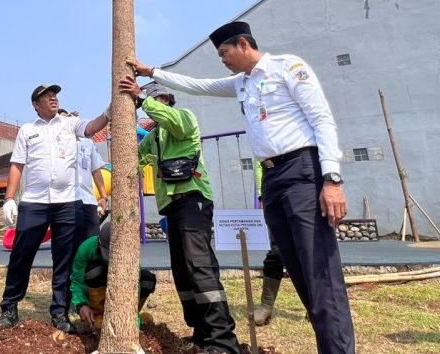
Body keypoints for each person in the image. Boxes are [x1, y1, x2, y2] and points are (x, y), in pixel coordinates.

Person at [129, 20, 355, 354]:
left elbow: (322, 119)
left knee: (319, 271)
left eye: (224, 52)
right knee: (299, 271)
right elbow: (198, 85)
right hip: (274, 180)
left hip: (302, 171)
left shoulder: (287, 67)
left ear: (243, 44)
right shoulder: (242, 84)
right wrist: (151, 71)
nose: (223, 59)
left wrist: (332, 179)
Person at [118, 77, 241, 354]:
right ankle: (201, 332)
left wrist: (142, 99)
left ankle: (223, 342)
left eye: (159, 101)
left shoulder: (184, 119)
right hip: (172, 207)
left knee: (200, 266)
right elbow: (135, 158)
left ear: (167, 101)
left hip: (193, 199)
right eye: (152, 102)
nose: (155, 107)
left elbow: (171, 119)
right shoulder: (154, 137)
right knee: (183, 271)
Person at [0, 84, 111, 333]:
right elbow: (17, 165)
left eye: (55, 95)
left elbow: (91, 128)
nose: (53, 98)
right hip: (34, 202)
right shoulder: (27, 130)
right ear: (35, 104)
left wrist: (108, 112)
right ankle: (9, 307)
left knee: (64, 259)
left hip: (67, 203)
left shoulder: (70, 124)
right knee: (21, 255)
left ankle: (60, 312)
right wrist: (8, 198)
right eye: (46, 96)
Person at [70, 217, 156, 331]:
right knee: (95, 271)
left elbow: (134, 287)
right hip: (98, 285)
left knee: (147, 280)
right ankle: (96, 315)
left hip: (119, 296)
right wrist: (81, 305)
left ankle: (128, 316)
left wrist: (134, 320)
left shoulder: (129, 255)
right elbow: (76, 281)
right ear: (99, 244)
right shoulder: (87, 248)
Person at [57, 108, 109, 254]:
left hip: (88, 200)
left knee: (93, 242)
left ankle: (91, 275)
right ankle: (71, 276)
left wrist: (104, 196)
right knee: (68, 245)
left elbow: (96, 170)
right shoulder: (55, 142)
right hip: (66, 201)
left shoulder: (88, 143)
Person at [251, 163, 286, 326]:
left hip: (303, 188)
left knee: (309, 252)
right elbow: (259, 164)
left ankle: (315, 304)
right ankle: (266, 305)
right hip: (272, 192)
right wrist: (261, 195)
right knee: (276, 252)